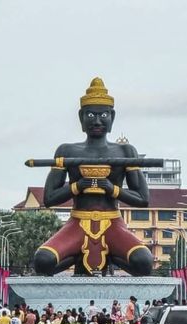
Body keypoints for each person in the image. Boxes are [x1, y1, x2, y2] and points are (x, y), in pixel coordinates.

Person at [33, 77, 153, 276]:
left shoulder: (125, 152)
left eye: (103, 115)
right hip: (77, 223)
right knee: (43, 260)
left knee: (143, 262)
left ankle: (112, 256)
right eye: (90, 115)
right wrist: (77, 186)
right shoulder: (67, 150)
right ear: (81, 118)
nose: (97, 121)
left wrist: (111, 189)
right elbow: (49, 199)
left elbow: (143, 199)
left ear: (112, 117)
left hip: (112, 222)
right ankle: (79, 255)